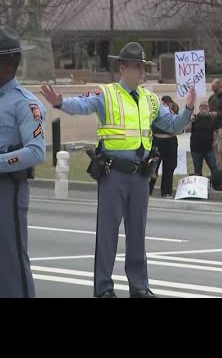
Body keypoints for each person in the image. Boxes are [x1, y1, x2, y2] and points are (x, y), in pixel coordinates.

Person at [41, 42, 196, 298]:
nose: (142, 72)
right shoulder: (107, 94)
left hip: (140, 175)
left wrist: (188, 107)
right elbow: (82, 104)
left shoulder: (150, 100)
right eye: (137, 67)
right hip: (114, 173)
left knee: (137, 233)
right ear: (123, 68)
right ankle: (103, 289)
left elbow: (173, 125)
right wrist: (60, 103)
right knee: (108, 234)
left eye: (144, 67)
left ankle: (139, 286)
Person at [0, 26, 47, 298]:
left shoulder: (26, 103)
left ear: (8, 64)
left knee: (12, 261)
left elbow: (36, 151)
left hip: (8, 190)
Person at [148, 95, 179, 197]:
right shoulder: (156, 110)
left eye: (167, 103)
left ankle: (166, 192)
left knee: (169, 168)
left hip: (171, 141)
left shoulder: (174, 110)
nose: (165, 105)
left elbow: (178, 124)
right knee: (153, 166)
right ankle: (148, 190)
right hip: (157, 140)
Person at [186, 101, 217, 177]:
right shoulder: (195, 118)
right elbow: (186, 130)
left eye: (206, 105)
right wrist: (190, 121)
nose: (204, 107)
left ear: (209, 108)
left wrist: (216, 141)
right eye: (202, 105)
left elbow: (216, 131)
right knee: (197, 171)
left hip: (209, 149)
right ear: (199, 108)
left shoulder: (212, 118)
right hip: (196, 149)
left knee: (214, 168)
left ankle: (215, 185)